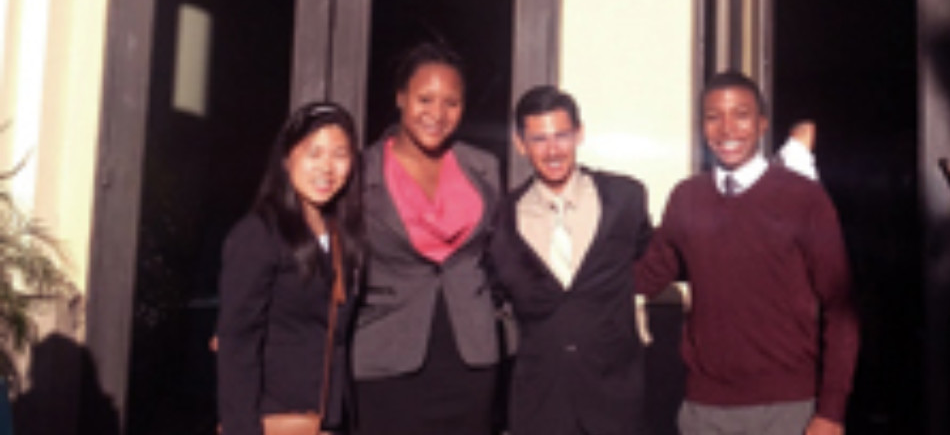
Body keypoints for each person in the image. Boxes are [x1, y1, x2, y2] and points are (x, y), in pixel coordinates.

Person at [636, 70, 860, 435]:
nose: (726, 129)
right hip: (703, 412)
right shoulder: (686, 198)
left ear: (761, 124)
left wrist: (831, 411)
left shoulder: (803, 198)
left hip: (787, 410)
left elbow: (841, 309)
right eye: (713, 117)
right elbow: (645, 277)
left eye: (740, 115)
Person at [351, 41, 503, 435]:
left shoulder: (483, 168)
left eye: (451, 103)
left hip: (470, 358)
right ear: (400, 98)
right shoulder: (359, 173)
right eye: (425, 99)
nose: (437, 114)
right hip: (386, 357)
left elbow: (503, 258)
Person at [486, 85, 653, 435]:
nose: (553, 151)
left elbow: (651, 263)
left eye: (562, 136)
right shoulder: (500, 220)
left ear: (579, 134)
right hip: (540, 406)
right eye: (539, 139)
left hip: (615, 403)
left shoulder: (625, 200)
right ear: (520, 143)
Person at [217, 101, 367, 435]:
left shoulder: (343, 235)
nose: (327, 168)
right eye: (314, 153)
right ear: (287, 158)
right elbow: (237, 341)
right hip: (275, 417)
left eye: (340, 155)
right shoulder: (258, 235)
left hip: (331, 418)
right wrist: (241, 427)